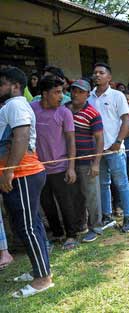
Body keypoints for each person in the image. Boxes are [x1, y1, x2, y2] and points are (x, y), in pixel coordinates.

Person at [0, 67, 53, 297]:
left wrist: (9, 171)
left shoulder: (15, 104)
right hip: (23, 173)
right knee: (32, 224)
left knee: (27, 226)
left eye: (1, 83)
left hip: (22, 173)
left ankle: (43, 278)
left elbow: (21, 136)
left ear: (14, 86)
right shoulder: (13, 106)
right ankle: (40, 269)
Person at [31, 75, 83, 251]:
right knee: (46, 203)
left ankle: (71, 235)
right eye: (57, 92)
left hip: (61, 167)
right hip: (38, 168)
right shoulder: (31, 109)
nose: (61, 96)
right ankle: (57, 233)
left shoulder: (64, 112)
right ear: (45, 94)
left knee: (66, 202)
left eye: (62, 92)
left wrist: (71, 167)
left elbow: (71, 141)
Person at [88, 63, 129, 233]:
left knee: (121, 183)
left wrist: (118, 141)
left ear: (109, 77)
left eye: (101, 73)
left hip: (114, 147)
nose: (97, 75)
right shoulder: (90, 97)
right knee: (102, 184)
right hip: (97, 150)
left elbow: (126, 120)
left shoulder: (117, 96)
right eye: (95, 73)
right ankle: (107, 217)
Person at [66, 79, 104, 243]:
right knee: (75, 196)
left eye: (80, 91)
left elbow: (100, 139)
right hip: (68, 161)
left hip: (87, 160)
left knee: (91, 196)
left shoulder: (93, 113)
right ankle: (81, 225)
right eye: (74, 90)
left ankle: (96, 227)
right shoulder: (65, 109)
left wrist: (96, 163)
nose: (76, 94)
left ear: (88, 94)